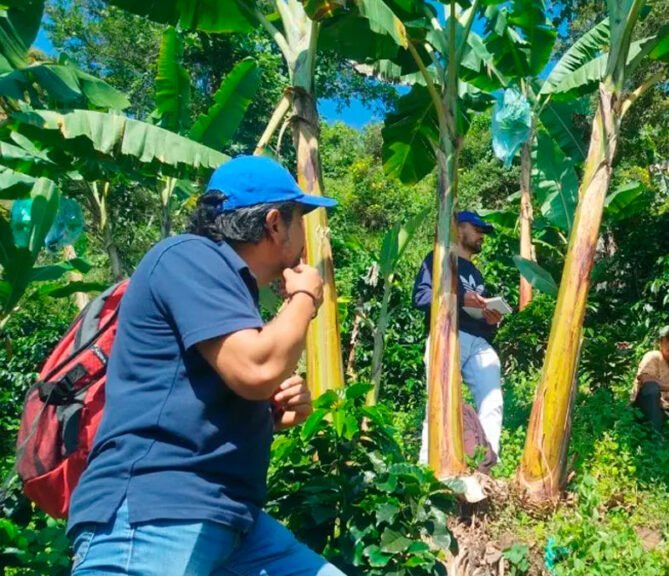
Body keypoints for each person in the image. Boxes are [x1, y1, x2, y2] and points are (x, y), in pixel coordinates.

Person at [67, 155, 346, 575]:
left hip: (229, 519)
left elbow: (208, 392)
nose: (306, 234)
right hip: (154, 513)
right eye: (300, 216)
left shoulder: (231, 286)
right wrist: (305, 296)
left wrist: (271, 411)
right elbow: (256, 370)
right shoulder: (188, 257)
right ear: (274, 223)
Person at [413, 211, 504, 463]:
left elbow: (476, 313)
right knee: (439, 401)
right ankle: (426, 466)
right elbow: (420, 298)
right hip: (448, 335)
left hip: (478, 341)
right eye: (477, 229)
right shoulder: (438, 259)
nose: (481, 236)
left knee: (492, 400)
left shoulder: (475, 272)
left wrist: (490, 320)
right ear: (458, 228)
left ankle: (486, 462)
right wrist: (459, 299)